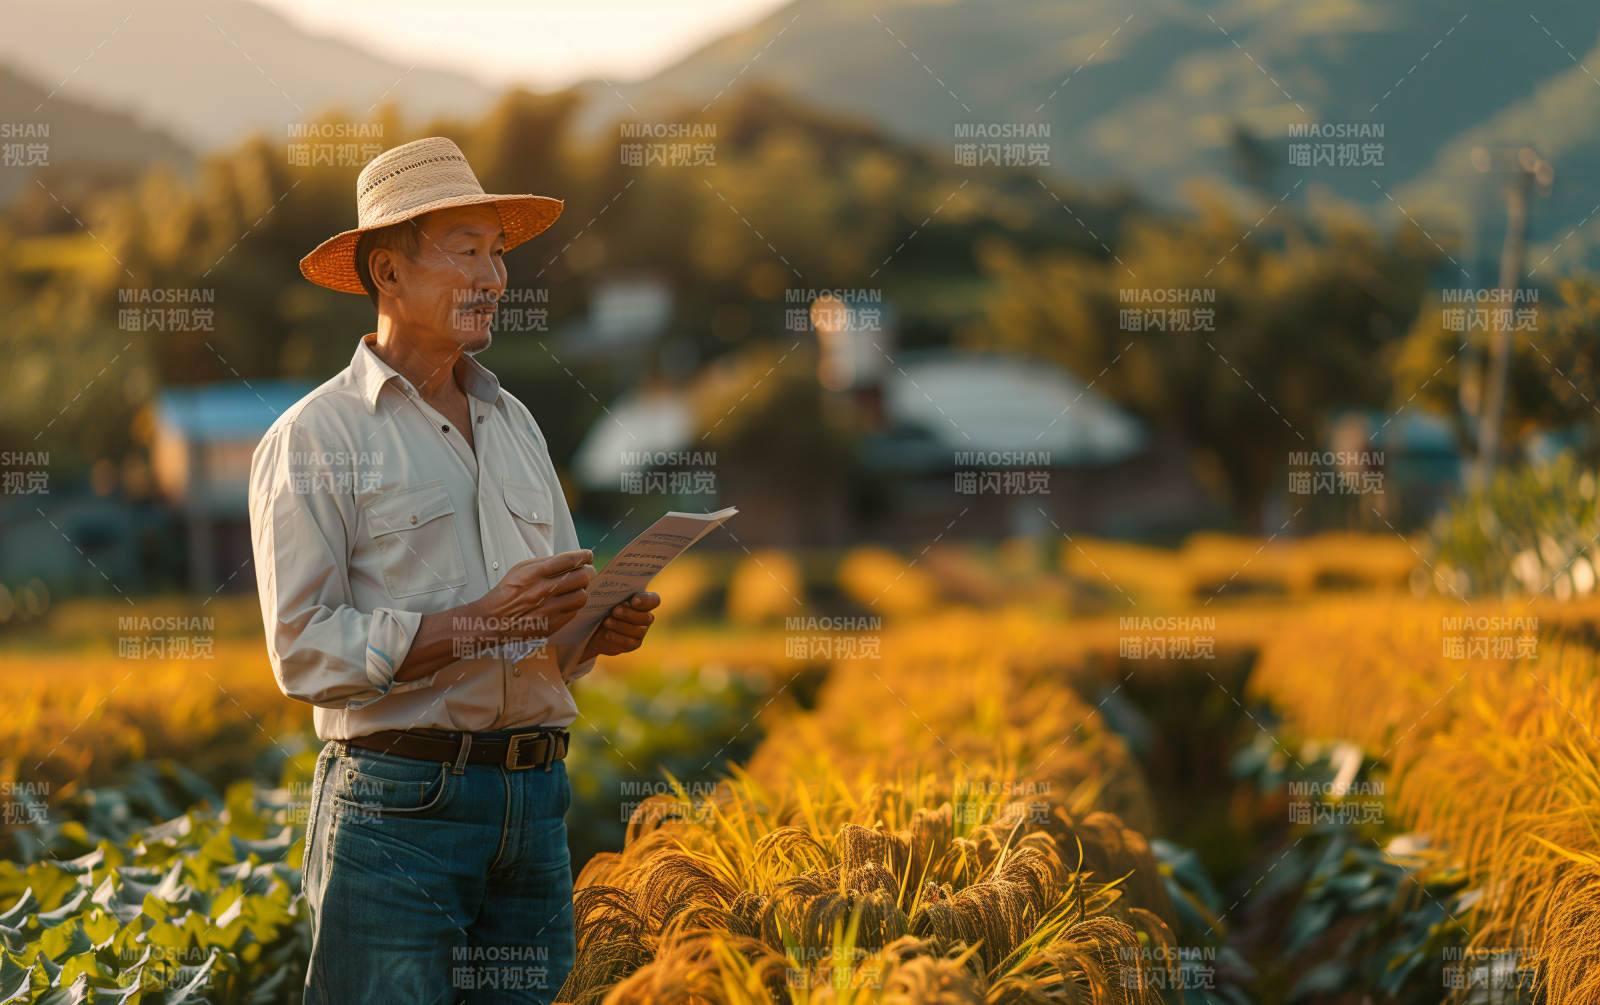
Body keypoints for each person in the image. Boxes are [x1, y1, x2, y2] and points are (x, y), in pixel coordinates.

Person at [247, 135, 661, 1004]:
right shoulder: (317, 437)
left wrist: (593, 629)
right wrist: (482, 621)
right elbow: (302, 648)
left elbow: (542, 621)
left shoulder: (515, 424)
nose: (495, 277)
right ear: (387, 273)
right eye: (466, 252)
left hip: (534, 804)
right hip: (398, 808)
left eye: (498, 253)